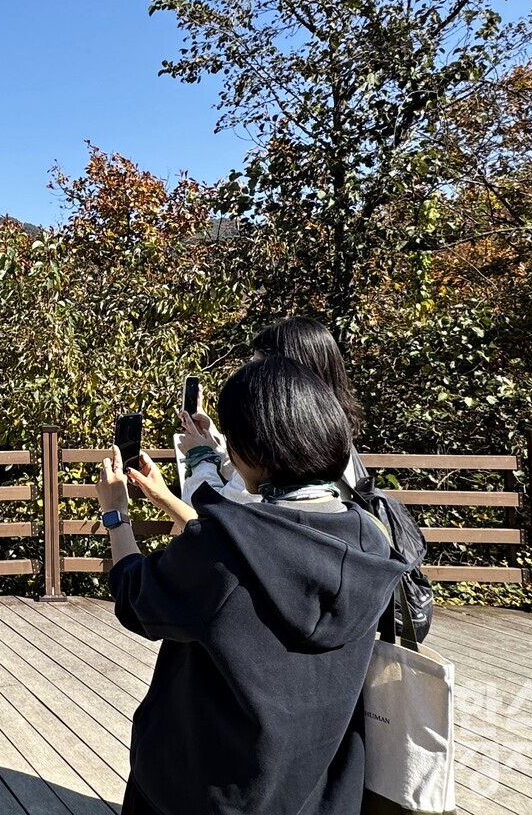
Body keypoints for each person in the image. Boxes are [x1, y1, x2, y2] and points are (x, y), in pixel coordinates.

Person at [95, 355, 408, 815]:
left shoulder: (225, 544)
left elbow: (135, 596)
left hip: (200, 791)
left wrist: (116, 513)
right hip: (317, 790)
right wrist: (166, 498)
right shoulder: (368, 537)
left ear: (248, 451)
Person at [179, 317, 365, 504]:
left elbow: (213, 511)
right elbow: (246, 484)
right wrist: (218, 443)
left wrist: (200, 456)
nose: (252, 375)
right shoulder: (331, 436)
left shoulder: (282, 449)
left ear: (283, 374)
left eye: (257, 365)